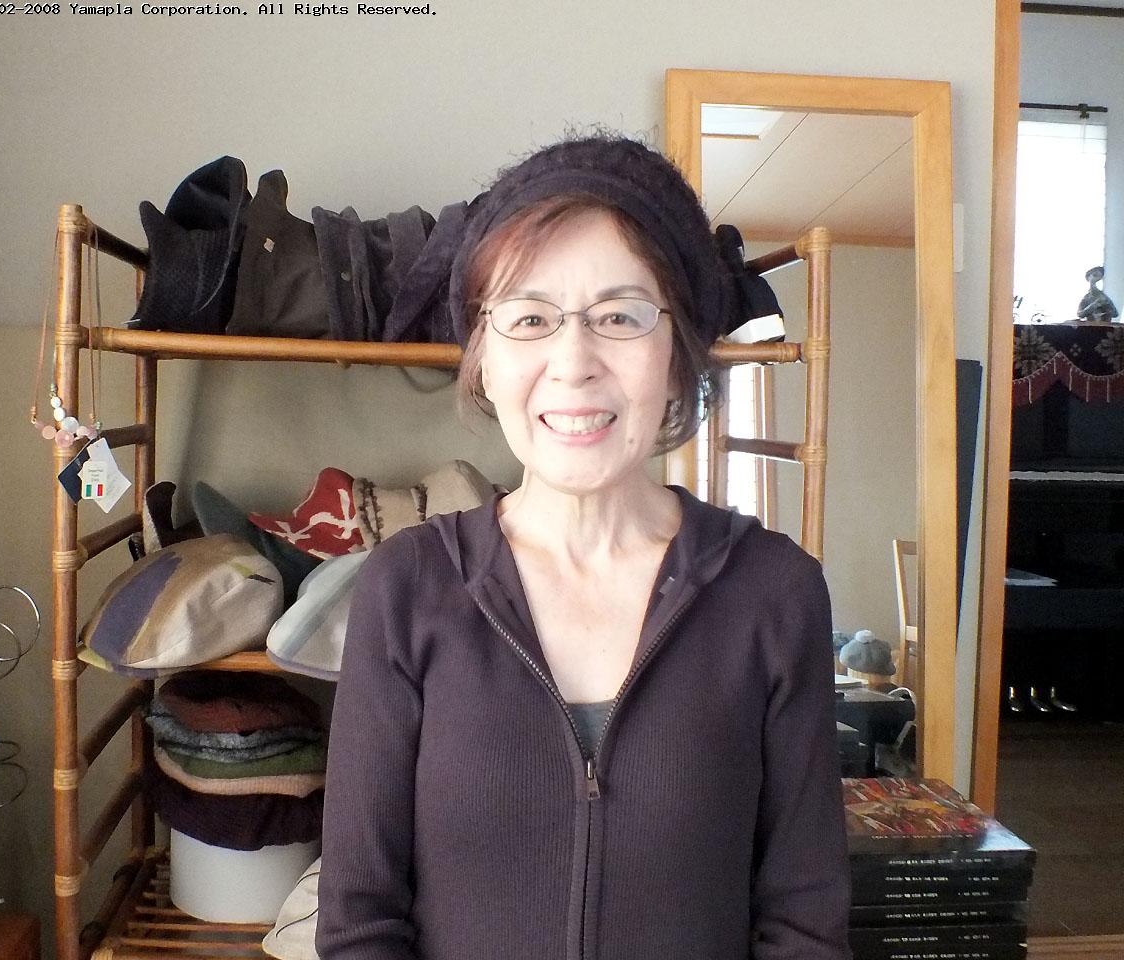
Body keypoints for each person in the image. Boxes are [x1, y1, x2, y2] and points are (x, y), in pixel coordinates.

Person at [316, 134, 851, 960]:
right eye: (530, 318)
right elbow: (360, 923)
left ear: (678, 358)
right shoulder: (408, 587)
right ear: (483, 358)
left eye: (620, 316)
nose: (573, 363)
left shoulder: (775, 592)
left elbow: (805, 923)